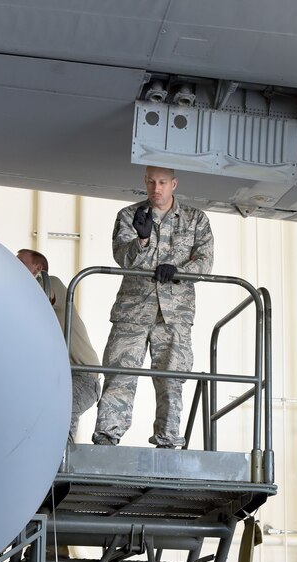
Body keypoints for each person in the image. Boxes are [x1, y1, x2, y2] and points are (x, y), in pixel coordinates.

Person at [92, 166, 214, 448]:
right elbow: (124, 258)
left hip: (175, 315)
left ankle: (168, 441)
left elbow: (205, 262)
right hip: (133, 311)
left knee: (172, 378)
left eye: (162, 182)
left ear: (174, 184)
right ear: (144, 183)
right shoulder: (129, 216)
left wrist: (179, 270)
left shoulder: (196, 219)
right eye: (150, 182)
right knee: (120, 372)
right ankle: (107, 437)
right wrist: (142, 239)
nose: (155, 188)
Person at [17, 249, 101, 444]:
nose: (15, 267)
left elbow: (31, 295)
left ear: (38, 268)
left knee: (57, 411)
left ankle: (60, 459)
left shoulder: (50, 283)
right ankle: (62, 461)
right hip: (60, 378)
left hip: (83, 377)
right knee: (53, 425)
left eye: (20, 263)